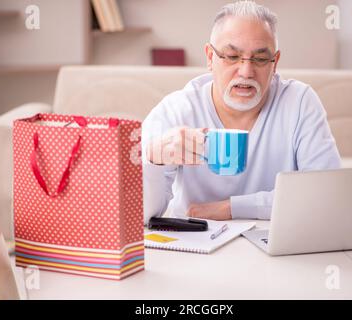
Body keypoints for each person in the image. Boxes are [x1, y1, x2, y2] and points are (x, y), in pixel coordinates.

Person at [142, 1, 341, 225]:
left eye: (260, 58)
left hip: (275, 244)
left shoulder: (300, 102)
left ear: (274, 63)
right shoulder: (176, 110)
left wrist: (232, 207)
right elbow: (139, 215)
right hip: (196, 244)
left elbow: (327, 194)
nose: (246, 72)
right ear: (210, 57)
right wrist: (154, 161)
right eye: (232, 56)